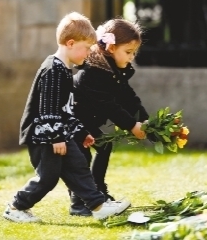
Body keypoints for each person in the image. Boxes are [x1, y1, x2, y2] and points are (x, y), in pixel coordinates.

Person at [2, 12, 130, 223]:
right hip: (44, 137)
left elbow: (65, 111)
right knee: (48, 178)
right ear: (71, 43)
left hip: (58, 133)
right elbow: (48, 110)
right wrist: (56, 138)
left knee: (79, 166)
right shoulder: (53, 69)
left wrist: (80, 132)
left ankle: (98, 206)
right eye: (87, 48)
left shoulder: (64, 70)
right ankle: (16, 206)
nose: (89, 54)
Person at [70, 18, 148, 216]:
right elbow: (108, 105)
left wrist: (146, 122)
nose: (131, 57)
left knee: (104, 145)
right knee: (82, 157)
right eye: (128, 52)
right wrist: (131, 125)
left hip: (88, 120)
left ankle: (99, 193)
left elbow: (128, 98)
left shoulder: (114, 71)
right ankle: (79, 203)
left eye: (134, 53)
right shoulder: (94, 72)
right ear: (111, 48)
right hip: (73, 121)